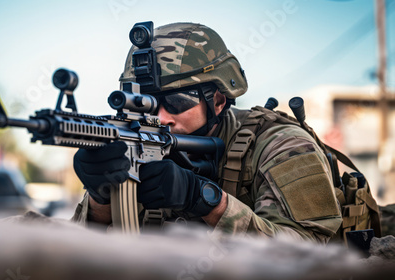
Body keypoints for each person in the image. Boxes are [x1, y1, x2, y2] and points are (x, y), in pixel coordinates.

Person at [71, 22, 343, 243]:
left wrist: (204, 200)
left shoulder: (282, 145)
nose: (161, 118)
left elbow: (309, 253)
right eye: (147, 102)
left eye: (178, 101)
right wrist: (101, 197)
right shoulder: (137, 143)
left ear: (218, 100)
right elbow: (83, 250)